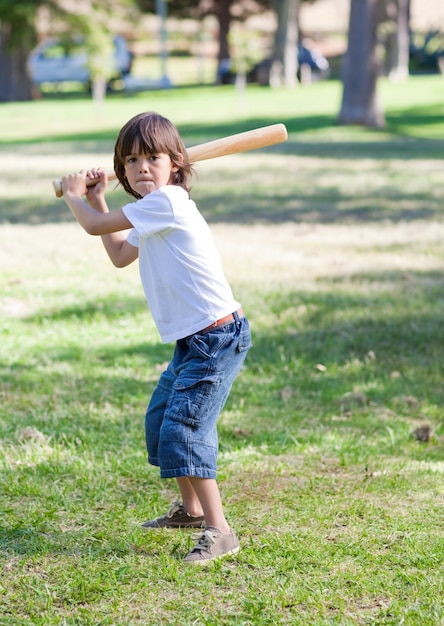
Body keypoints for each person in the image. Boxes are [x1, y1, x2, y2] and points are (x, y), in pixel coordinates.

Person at [61, 112, 252, 565]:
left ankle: (219, 530)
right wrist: (99, 201)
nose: (142, 167)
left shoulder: (169, 201)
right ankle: (190, 511)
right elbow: (120, 254)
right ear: (121, 170)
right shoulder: (153, 211)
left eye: (153, 157)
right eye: (131, 160)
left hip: (217, 337)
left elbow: (91, 226)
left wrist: (76, 199)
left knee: (184, 430)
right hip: (193, 339)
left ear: (175, 164)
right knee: (162, 422)